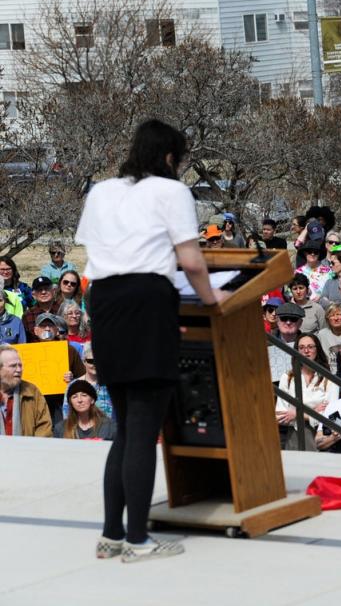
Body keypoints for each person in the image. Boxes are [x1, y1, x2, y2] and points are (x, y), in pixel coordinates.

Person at [77, 119, 226, 562]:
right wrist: (210, 299)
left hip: (104, 301)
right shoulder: (171, 191)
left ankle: (111, 535)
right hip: (147, 300)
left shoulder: (101, 190)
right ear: (168, 157)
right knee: (143, 430)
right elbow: (191, 261)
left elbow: (92, 250)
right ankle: (138, 541)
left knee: (126, 426)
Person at [276, 333, 339, 450]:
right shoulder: (287, 377)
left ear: (317, 350)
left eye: (310, 347)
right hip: (294, 436)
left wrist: (297, 413)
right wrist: (314, 411)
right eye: (301, 347)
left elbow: (333, 417)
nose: (306, 351)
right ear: (297, 351)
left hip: (321, 436)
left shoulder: (329, 379)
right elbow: (280, 416)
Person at [0, 344, 52, 437]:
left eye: (20, 365)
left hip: (28, 450)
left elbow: (44, 428)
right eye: (13, 366)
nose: (19, 370)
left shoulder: (32, 391)